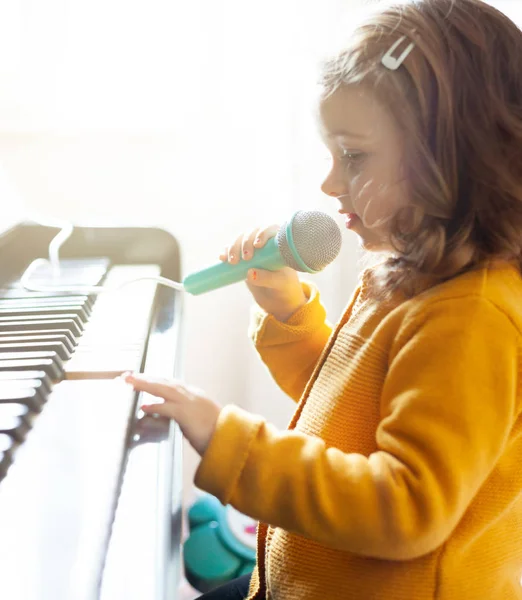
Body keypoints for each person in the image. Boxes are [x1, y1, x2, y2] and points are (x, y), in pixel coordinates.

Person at [123, 0, 522, 597]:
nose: (329, 183)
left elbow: (404, 508)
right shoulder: (413, 275)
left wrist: (228, 439)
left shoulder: (471, 317)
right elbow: (354, 415)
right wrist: (291, 315)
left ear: (454, 155)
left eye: (354, 157)